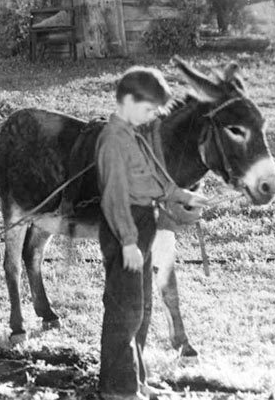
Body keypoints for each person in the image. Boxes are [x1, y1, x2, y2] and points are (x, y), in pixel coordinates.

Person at [95, 66, 208, 400]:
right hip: (124, 226)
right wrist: (128, 242)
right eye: (148, 110)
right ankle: (116, 389)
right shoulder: (114, 140)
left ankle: (136, 380)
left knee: (141, 306)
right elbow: (113, 196)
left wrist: (181, 195)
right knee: (124, 309)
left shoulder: (135, 134)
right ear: (128, 102)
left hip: (143, 221)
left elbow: (152, 179)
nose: (151, 117)